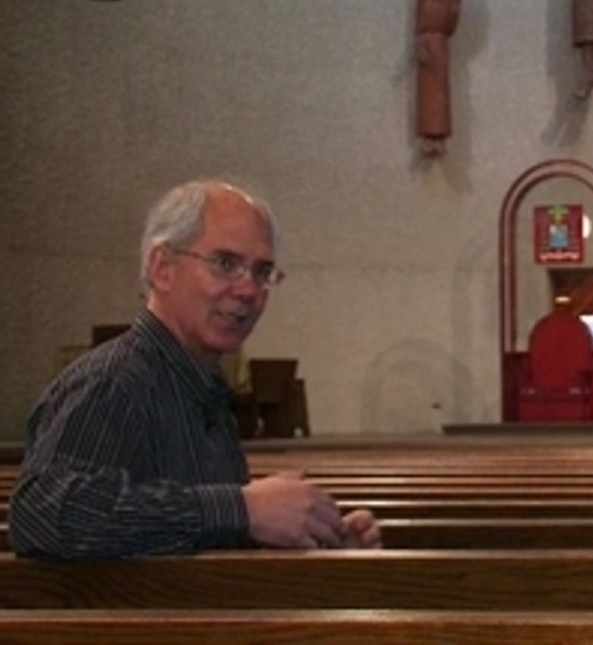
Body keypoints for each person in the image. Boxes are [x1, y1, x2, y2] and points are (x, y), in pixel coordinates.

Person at [9, 179, 381, 559]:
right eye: (225, 263)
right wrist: (241, 509)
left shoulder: (202, 387)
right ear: (162, 268)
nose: (249, 290)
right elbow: (43, 515)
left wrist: (313, 540)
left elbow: (184, 546)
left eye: (261, 271)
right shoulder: (115, 381)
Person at [415, 0, 467, 157]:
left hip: (440, 51)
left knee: (441, 97)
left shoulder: (443, 2)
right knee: (427, 99)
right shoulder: (424, 2)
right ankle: (428, 137)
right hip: (428, 52)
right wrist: (419, 46)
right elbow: (419, 29)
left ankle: (440, 137)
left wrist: (455, 3)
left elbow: (449, 27)